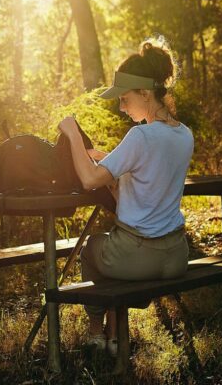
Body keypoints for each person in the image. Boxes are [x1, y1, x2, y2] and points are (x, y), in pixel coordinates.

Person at [57, 38, 194, 356]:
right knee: (116, 255)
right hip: (175, 257)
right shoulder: (184, 134)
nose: (121, 106)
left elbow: (91, 179)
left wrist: (73, 134)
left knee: (93, 249)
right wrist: (111, 163)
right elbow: (149, 183)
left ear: (145, 93)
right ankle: (116, 334)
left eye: (125, 98)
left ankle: (98, 335)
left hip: (138, 259)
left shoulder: (140, 136)